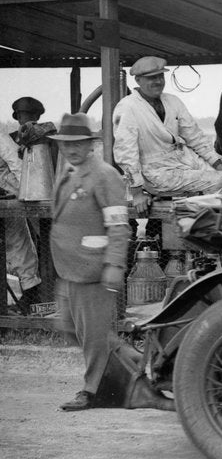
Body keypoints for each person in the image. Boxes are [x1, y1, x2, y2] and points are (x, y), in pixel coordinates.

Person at [48, 114, 130, 411]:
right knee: (71, 328)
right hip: (68, 267)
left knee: (92, 335)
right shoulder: (69, 171)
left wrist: (114, 265)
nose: (71, 149)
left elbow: (119, 225)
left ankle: (92, 391)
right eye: (65, 143)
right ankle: (128, 358)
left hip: (94, 269)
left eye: (78, 143)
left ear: (90, 144)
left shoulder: (105, 174)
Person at [113, 56, 222, 217]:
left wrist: (217, 163)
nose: (158, 81)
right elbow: (126, 152)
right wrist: (137, 192)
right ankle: (197, 226)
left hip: (181, 158)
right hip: (154, 170)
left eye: (160, 76)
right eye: (151, 78)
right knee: (219, 181)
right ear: (138, 80)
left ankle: (199, 219)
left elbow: (194, 136)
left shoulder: (172, 101)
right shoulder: (128, 107)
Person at [1, 128, 44, 311]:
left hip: (8, 199)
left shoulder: (2, 140)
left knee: (19, 246)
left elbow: (19, 167)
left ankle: (29, 300)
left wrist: (24, 195)